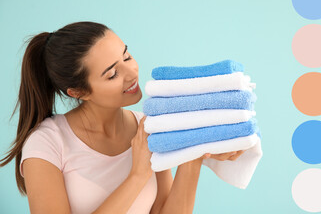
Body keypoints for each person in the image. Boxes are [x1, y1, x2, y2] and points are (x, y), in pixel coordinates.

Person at [0, 21, 245, 214]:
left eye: (127, 56)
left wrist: (192, 154)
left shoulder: (149, 127)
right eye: (113, 74)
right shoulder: (47, 143)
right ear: (79, 92)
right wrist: (137, 175)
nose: (132, 73)